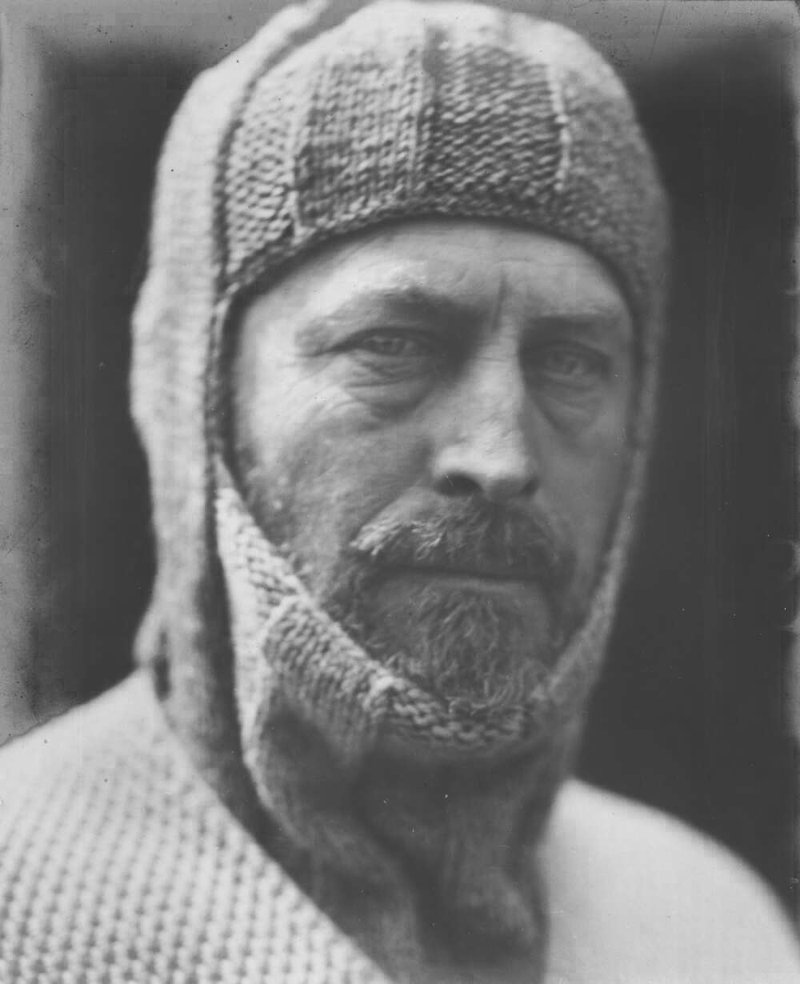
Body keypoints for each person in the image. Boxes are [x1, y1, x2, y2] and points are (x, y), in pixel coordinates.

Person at [0, 1, 797, 982]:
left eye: (571, 362)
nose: (498, 455)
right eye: (393, 344)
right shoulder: (21, 908)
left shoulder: (710, 928)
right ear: (198, 401)